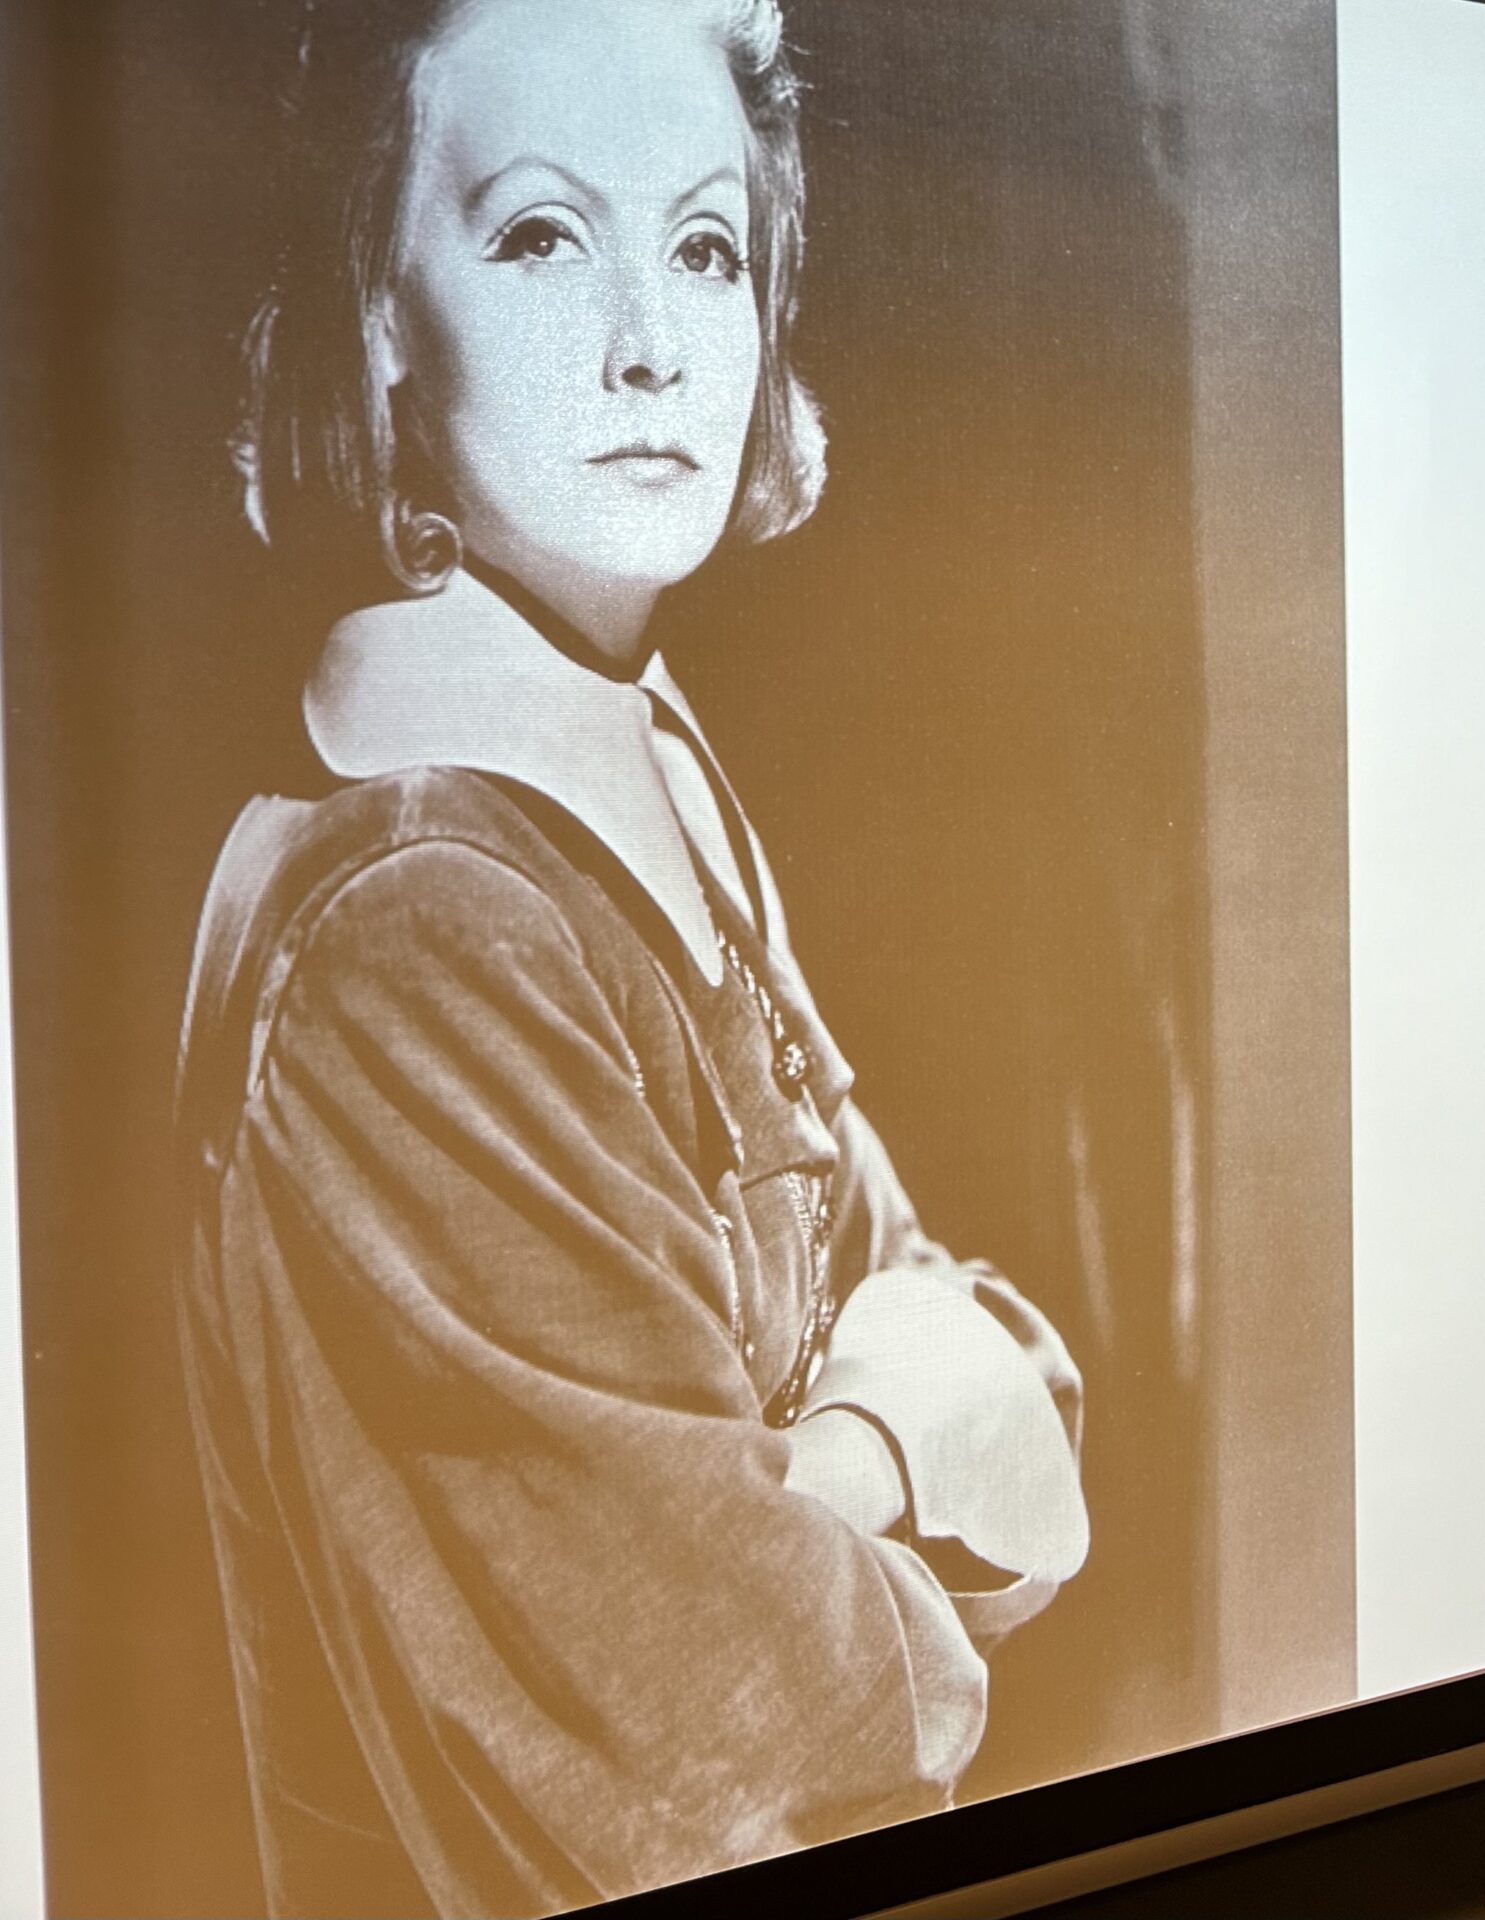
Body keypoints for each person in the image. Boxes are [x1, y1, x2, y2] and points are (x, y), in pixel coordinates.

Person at [174, 2, 1088, 1913]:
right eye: (538, 235)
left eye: (705, 247)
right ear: (379, 318)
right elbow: (726, 1732)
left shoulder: (642, 763)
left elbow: (1012, 1365)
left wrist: (826, 1481)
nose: (650, 343)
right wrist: (887, 1452)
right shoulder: (416, 916)